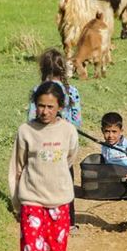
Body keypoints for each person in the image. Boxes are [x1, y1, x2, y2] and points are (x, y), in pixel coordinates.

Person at [10, 81, 79, 251]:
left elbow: (69, 159)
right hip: (32, 201)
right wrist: (17, 201)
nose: (45, 111)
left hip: (59, 202)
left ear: (60, 107)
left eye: (50, 106)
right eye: (40, 106)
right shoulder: (25, 131)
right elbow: (17, 167)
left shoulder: (69, 131)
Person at [27, 48, 81, 231]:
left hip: (41, 144)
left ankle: (40, 218)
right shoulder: (71, 91)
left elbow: (30, 119)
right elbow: (77, 121)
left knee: (40, 180)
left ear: (43, 68)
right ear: (63, 69)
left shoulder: (38, 91)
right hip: (64, 145)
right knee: (66, 181)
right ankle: (69, 221)